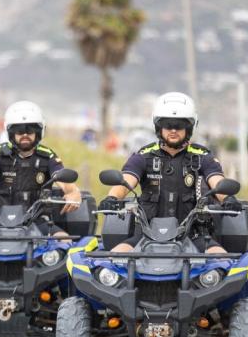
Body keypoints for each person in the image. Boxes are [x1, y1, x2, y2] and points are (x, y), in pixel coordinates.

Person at [99, 92, 240, 254]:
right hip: (146, 234)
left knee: (221, 261)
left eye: (179, 125)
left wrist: (228, 198)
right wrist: (112, 198)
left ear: (189, 128)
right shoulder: (143, 156)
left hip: (194, 234)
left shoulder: (203, 157)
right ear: (159, 127)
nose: (173, 130)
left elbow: (218, 182)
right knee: (114, 259)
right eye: (168, 124)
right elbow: (124, 181)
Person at [0, 101, 81, 236]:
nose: (25, 135)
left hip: (38, 221)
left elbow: (65, 182)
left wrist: (74, 193)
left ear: (39, 132)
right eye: (19, 131)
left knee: (64, 241)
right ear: (11, 133)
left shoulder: (47, 157)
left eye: (30, 130)